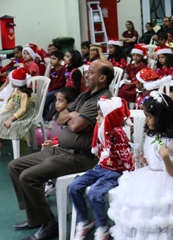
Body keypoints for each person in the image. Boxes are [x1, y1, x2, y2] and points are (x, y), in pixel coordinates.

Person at [7, 59, 113, 240]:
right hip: (61, 149)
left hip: (81, 157)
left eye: (91, 72)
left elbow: (76, 126)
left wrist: (72, 117)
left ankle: (48, 224)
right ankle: (35, 217)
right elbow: (60, 117)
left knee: (28, 177)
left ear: (102, 78)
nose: (86, 75)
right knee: (15, 166)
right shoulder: (84, 96)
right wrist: (72, 115)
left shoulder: (102, 100)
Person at [108, 92, 173, 240]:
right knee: (137, 213)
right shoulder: (151, 134)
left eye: (149, 116)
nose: (146, 120)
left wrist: (165, 157)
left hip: (167, 182)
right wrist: (144, 160)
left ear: (161, 117)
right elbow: (153, 159)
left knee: (156, 216)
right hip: (149, 175)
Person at [69, 97, 134, 240]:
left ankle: (102, 227)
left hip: (115, 171)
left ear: (111, 116)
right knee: (73, 187)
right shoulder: (101, 130)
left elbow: (126, 157)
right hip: (100, 168)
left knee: (94, 193)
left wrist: (130, 175)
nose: (97, 118)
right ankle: (84, 221)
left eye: (101, 115)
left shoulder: (117, 132)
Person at [0, 67, 36, 155]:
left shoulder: (24, 94)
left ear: (16, 82)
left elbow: (23, 109)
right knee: (0, 118)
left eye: (11, 81)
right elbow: (11, 103)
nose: (9, 82)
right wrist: (5, 113)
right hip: (16, 110)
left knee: (5, 120)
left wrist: (10, 119)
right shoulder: (17, 91)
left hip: (26, 113)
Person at [42, 51, 67, 122]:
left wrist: (49, 90)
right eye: (51, 58)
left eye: (54, 59)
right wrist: (48, 89)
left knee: (48, 96)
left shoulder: (63, 70)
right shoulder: (52, 70)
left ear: (60, 61)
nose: (51, 60)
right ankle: (41, 116)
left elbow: (60, 84)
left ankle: (46, 119)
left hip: (60, 90)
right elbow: (51, 82)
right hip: (53, 90)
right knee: (47, 98)